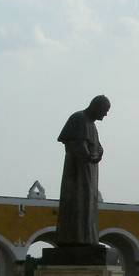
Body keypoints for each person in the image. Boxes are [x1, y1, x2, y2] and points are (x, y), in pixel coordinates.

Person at [56, 95, 110, 246]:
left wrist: (98, 153)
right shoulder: (78, 118)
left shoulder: (92, 125)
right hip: (77, 172)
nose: (105, 114)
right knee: (77, 202)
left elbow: (98, 146)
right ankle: (75, 240)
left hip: (90, 171)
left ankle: (87, 239)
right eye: (105, 110)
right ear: (96, 106)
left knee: (88, 203)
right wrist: (89, 156)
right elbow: (75, 144)